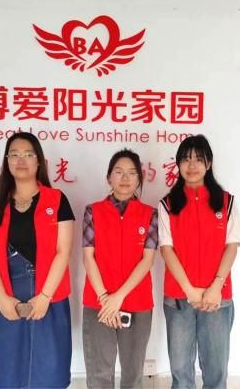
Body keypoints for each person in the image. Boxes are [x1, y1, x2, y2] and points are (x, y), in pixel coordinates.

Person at [0, 132, 74, 389]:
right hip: (7, 295)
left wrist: (45, 297)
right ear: (6, 161)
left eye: (28, 154)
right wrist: (2, 298)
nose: (21, 160)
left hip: (49, 294)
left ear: (39, 161)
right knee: (9, 368)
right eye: (15, 154)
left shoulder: (57, 199)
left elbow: (63, 251)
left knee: (50, 369)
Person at [158, 135, 240, 389]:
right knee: (181, 372)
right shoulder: (168, 204)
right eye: (185, 159)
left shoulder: (226, 202)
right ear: (178, 164)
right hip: (179, 299)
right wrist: (189, 290)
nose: (192, 165)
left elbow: (232, 246)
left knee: (216, 372)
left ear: (209, 162)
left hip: (217, 298)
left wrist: (215, 286)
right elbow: (166, 250)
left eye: (198, 159)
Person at [82, 149, 158, 389]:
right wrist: (106, 299)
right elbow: (88, 257)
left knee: (133, 375)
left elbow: (147, 260)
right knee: (99, 374)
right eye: (118, 172)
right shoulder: (93, 211)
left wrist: (118, 298)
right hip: (99, 304)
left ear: (139, 179)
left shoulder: (150, 214)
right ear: (109, 177)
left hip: (137, 303)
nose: (125, 178)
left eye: (132, 173)